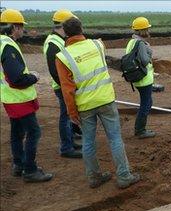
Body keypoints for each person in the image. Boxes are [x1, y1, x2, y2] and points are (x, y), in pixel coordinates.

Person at [55, 17, 140, 189]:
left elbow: (67, 89)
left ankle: (94, 177)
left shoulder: (62, 57)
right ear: (82, 28)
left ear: (64, 33)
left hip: (85, 105)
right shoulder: (97, 45)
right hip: (106, 99)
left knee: (88, 141)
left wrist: (72, 113)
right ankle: (124, 176)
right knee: (115, 138)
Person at [0, 9, 54, 182]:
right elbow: (17, 78)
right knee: (34, 132)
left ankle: (19, 164)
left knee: (17, 133)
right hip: (19, 98)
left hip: (10, 98)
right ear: (14, 27)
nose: (23, 30)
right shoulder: (8, 46)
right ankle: (29, 170)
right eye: (21, 26)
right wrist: (34, 77)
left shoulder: (2, 43)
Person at [43, 9, 82, 158]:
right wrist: (67, 87)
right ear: (63, 26)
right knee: (65, 117)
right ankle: (66, 148)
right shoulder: (53, 43)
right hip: (62, 87)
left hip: (64, 86)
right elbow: (55, 71)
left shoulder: (58, 40)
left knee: (67, 117)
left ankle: (71, 141)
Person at [125, 17, 156, 139]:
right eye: (147, 28)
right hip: (144, 80)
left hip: (137, 78)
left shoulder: (131, 42)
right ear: (143, 30)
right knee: (146, 104)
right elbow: (144, 60)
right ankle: (140, 130)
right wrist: (149, 54)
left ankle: (140, 128)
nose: (149, 30)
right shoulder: (141, 44)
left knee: (147, 102)